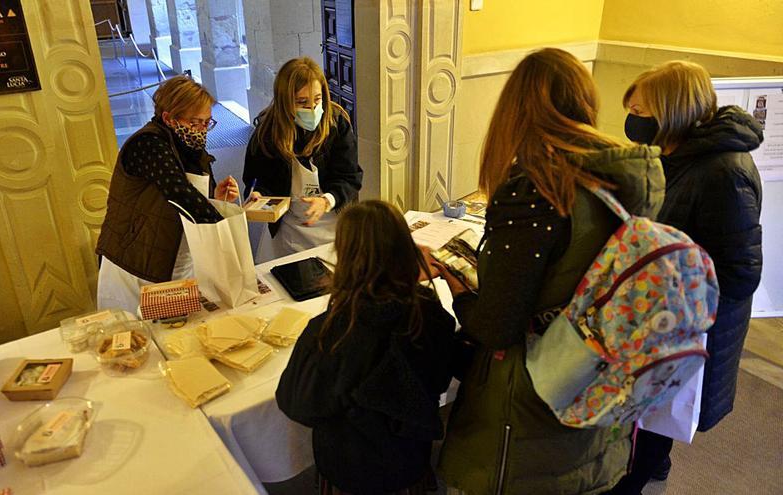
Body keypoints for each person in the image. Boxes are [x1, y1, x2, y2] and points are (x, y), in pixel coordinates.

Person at [434, 48, 665, 494]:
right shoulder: (621, 181)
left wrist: (458, 289)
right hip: (595, 381)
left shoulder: (537, 190)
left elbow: (498, 326)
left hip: (530, 406)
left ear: (517, 112)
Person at [609, 61, 763, 494]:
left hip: (689, 328)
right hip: (670, 318)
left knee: (656, 418)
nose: (632, 119)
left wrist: (666, 280)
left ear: (670, 111)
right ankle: (652, 465)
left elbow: (740, 274)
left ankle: (636, 480)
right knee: (654, 415)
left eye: (639, 109)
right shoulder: (678, 153)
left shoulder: (723, 172)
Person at [276, 200, 456, 495]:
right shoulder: (431, 313)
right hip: (409, 458)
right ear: (405, 248)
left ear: (344, 256)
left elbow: (297, 404)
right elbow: (441, 380)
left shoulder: (328, 332)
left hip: (348, 467)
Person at [95, 75, 239, 314]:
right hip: (137, 261)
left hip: (178, 254)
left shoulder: (191, 146)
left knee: (178, 333)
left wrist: (216, 195)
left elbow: (196, 194)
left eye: (207, 123)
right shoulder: (148, 144)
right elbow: (179, 193)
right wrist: (228, 234)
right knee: (141, 336)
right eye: (195, 123)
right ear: (169, 118)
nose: (202, 130)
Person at [243, 57, 362, 262]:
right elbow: (256, 178)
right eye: (302, 102)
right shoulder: (267, 133)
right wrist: (258, 195)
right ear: (285, 102)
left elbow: (350, 177)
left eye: (317, 99)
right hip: (287, 227)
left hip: (331, 223)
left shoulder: (336, 125)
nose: (312, 109)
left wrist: (327, 200)